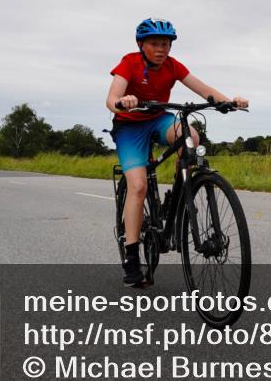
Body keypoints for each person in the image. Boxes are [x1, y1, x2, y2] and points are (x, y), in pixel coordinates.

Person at [106, 18, 248, 288]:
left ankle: (182, 188)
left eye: (166, 44)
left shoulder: (173, 66)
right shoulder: (129, 63)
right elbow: (111, 98)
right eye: (155, 44)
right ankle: (133, 257)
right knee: (137, 187)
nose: (161, 49)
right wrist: (122, 102)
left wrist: (228, 101)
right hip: (129, 125)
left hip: (158, 119)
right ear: (141, 45)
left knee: (190, 135)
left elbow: (203, 89)